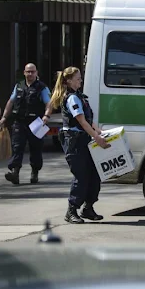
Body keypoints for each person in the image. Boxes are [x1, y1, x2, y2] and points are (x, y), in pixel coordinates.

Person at [49, 67, 110, 224]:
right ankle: (71, 210)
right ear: (68, 81)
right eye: (77, 78)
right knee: (81, 175)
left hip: (84, 139)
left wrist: (99, 131)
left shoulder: (80, 97)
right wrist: (96, 137)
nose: (80, 81)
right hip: (74, 141)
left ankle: (88, 208)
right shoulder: (71, 98)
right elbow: (81, 122)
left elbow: (89, 121)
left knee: (94, 174)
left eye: (80, 78)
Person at [0, 63, 52, 185]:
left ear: (36, 73)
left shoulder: (42, 88)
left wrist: (46, 115)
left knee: (36, 148)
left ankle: (35, 172)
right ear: (24, 73)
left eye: (32, 72)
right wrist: (4, 117)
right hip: (19, 121)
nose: (30, 74)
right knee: (17, 147)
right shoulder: (19, 86)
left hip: (36, 123)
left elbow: (49, 103)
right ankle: (15, 173)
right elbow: (10, 102)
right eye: (28, 72)